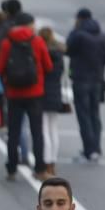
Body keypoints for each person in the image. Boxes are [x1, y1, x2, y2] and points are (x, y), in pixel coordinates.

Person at [0, 12, 52, 181]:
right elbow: (48, 66)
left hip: (14, 94)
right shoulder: (37, 41)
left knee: (13, 132)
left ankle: (12, 168)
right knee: (37, 132)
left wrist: (8, 82)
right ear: (28, 25)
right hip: (35, 94)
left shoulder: (7, 42)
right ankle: (40, 169)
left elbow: (0, 68)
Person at [66, 8, 105, 164]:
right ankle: (96, 148)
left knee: (83, 115)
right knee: (95, 115)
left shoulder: (78, 35)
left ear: (79, 19)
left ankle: (89, 150)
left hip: (81, 79)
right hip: (98, 80)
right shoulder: (102, 35)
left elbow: (68, 49)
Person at [39, 28, 66, 177]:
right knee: (53, 129)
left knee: (43, 130)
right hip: (56, 92)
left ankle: (46, 162)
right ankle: (53, 162)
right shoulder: (59, 54)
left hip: (42, 92)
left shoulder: (43, 53)